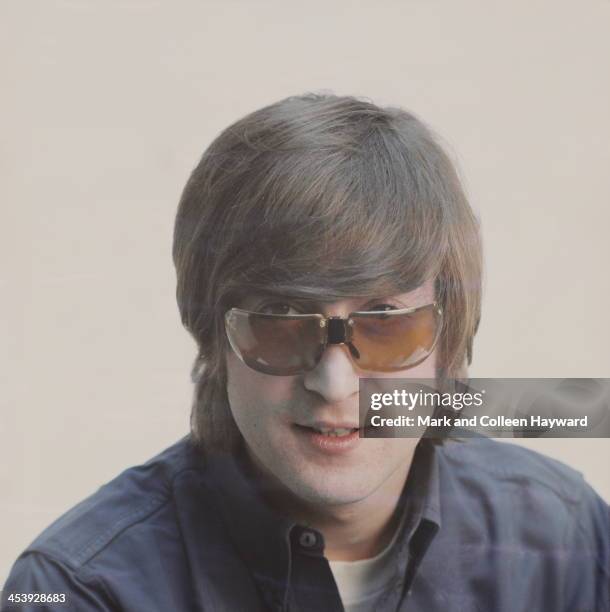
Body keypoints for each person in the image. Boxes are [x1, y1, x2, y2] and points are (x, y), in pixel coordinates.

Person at [3, 93, 608, 612]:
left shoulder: (565, 533)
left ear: (448, 339)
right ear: (214, 337)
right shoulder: (79, 591)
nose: (335, 383)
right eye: (282, 322)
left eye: (385, 326)